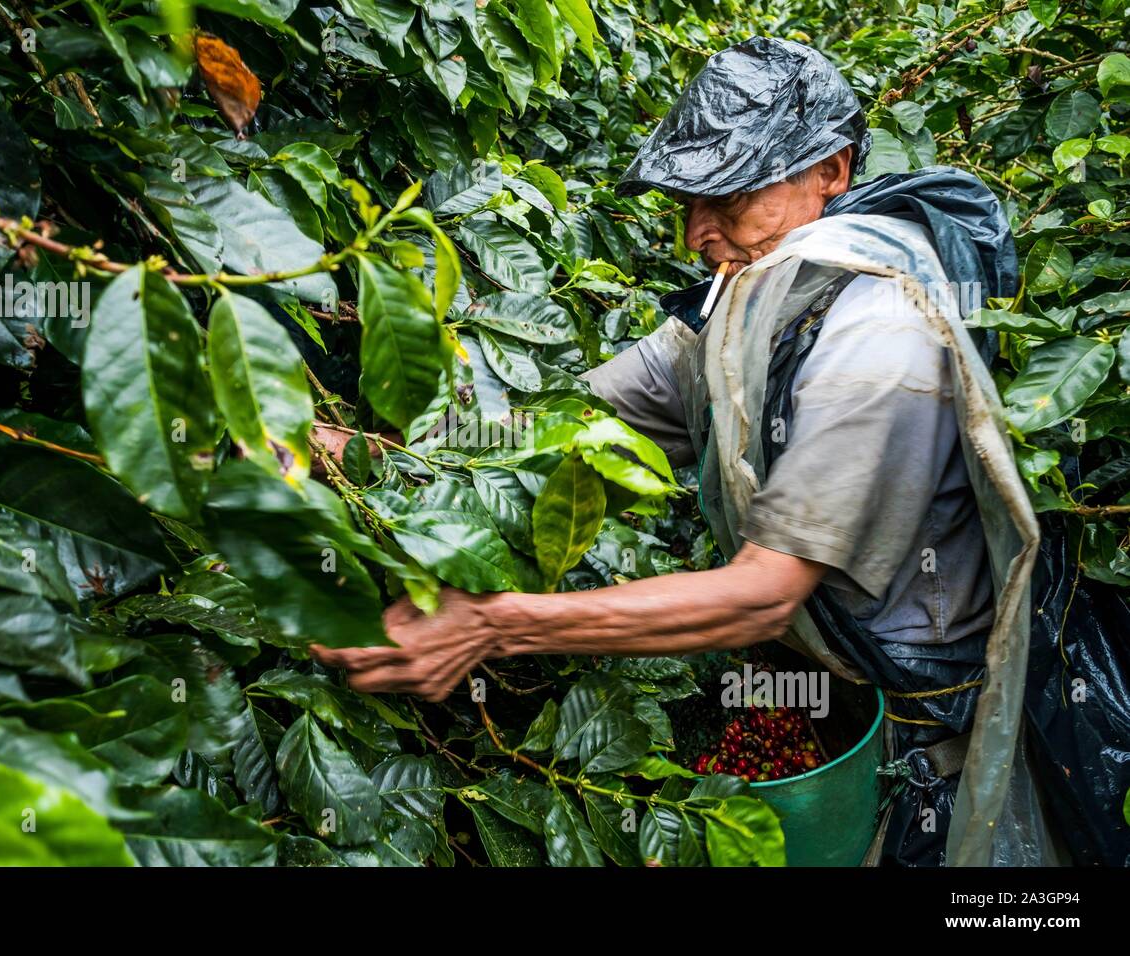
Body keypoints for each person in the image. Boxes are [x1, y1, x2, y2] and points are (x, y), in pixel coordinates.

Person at [312, 37, 1046, 865]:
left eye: (728, 196)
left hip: (914, 714)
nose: (697, 231)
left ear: (831, 172)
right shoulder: (740, 305)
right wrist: (365, 456)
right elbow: (560, 430)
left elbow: (761, 594)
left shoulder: (878, 336)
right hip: (817, 670)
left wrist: (488, 624)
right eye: (686, 200)